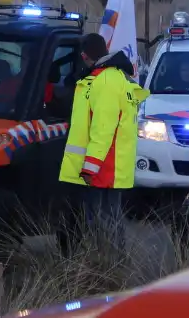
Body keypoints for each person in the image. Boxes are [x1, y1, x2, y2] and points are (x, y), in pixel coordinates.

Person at [58, 33, 149, 251]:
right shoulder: (114, 78)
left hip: (103, 166)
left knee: (101, 222)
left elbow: (103, 129)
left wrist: (90, 167)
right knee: (108, 221)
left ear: (83, 55)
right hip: (109, 164)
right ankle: (108, 269)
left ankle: (106, 270)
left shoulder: (105, 81)